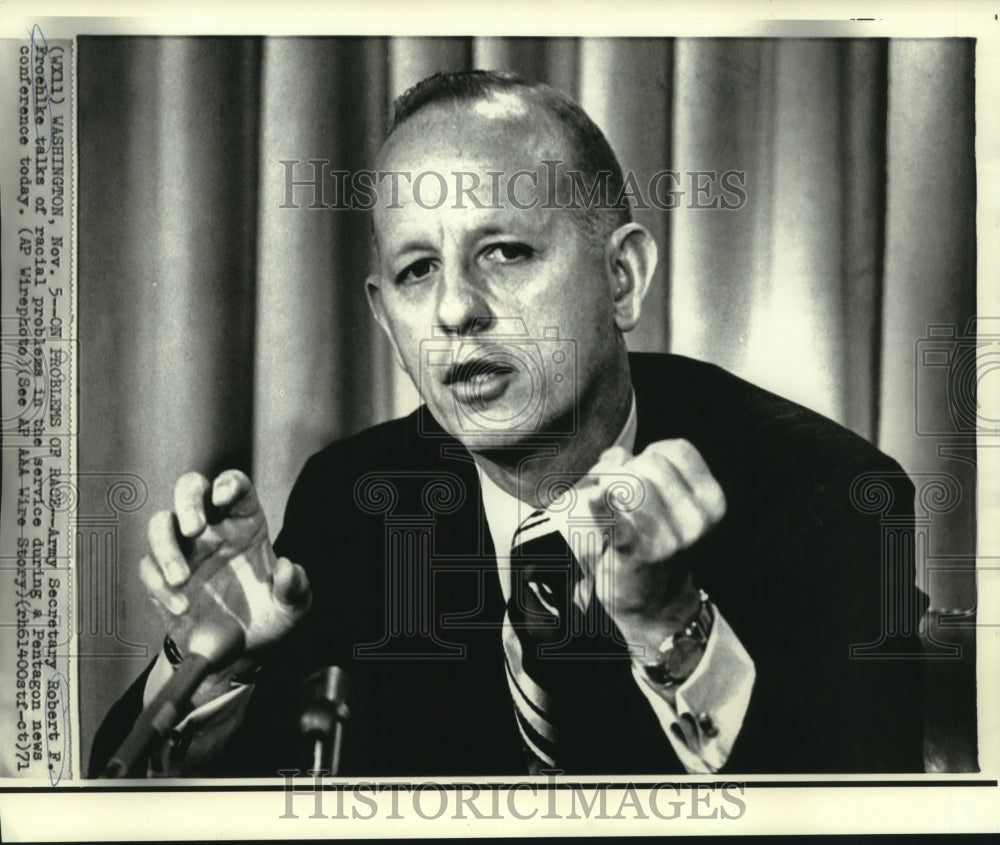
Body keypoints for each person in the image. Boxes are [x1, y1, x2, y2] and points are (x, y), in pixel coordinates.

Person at [90, 70, 927, 777]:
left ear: (623, 278)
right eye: (418, 270)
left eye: (507, 252)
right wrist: (212, 669)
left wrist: (674, 630)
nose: (455, 308)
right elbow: (131, 800)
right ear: (387, 322)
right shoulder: (355, 498)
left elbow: (867, 812)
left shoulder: (835, 494)